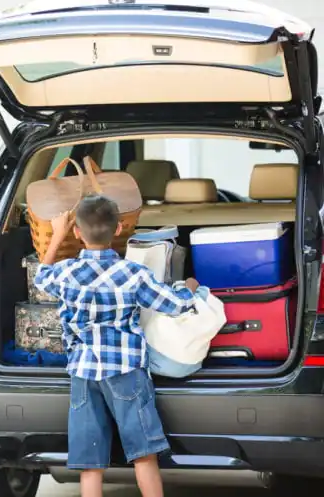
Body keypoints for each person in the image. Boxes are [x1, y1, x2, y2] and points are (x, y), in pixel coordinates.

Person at [33, 194, 199, 497]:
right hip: (125, 370)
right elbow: (175, 305)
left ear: (77, 232)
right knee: (143, 451)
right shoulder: (134, 274)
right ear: (120, 229)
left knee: (90, 462)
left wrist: (56, 235)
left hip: (83, 371)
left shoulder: (66, 272)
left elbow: (41, 278)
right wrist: (190, 288)